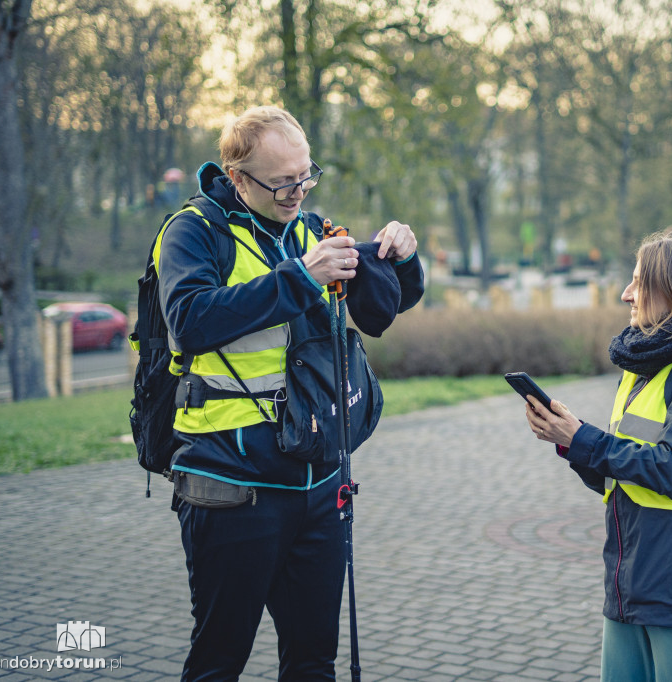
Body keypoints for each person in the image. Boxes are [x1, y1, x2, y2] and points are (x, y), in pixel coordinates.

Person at [155, 105, 423, 681]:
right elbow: (190, 321)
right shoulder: (193, 233)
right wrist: (302, 277)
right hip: (232, 486)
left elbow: (378, 313)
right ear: (237, 177)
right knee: (219, 661)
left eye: (306, 175)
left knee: (312, 662)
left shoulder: (311, 226)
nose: (297, 191)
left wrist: (402, 260)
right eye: (282, 181)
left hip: (319, 482)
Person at [522, 231, 672, 682]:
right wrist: (569, 441)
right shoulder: (648, 367)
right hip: (631, 577)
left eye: (639, 282)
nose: (626, 294)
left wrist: (586, 438)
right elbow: (622, 474)